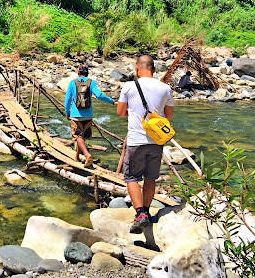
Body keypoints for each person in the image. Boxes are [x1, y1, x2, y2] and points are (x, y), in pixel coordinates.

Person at [116, 54, 174, 233]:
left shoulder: (129, 86)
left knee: (132, 177)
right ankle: (147, 211)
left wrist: (133, 114)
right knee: (151, 177)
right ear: (154, 70)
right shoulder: (165, 88)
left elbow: (120, 112)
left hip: (136, 140)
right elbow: (168, 116)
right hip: (156, 140)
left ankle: (140, 213)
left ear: (137, 68)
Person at [65, 64, 115, 168]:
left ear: (78, 73)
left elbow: (67, 100)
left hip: (76, 115)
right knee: (82, 136)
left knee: (78, 136)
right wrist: (111, 101)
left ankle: (87, 155)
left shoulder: (72, 83)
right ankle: (77, 156)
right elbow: (100, 95)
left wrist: (68, 113)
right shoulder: (91, 82)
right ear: (87, 73)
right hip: (88, 115)